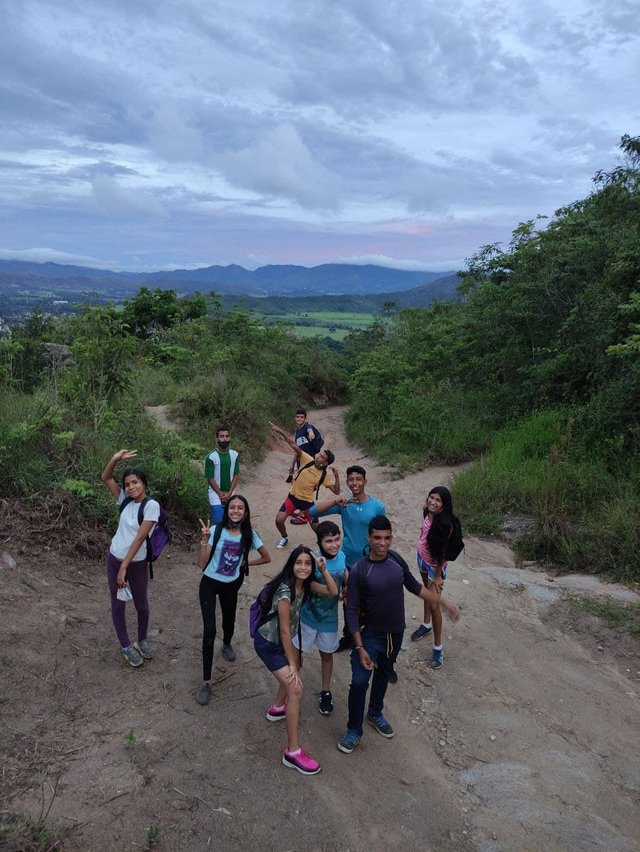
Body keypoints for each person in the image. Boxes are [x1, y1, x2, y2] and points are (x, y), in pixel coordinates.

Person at [337, 515, 460, 754]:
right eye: (377, 538)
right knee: (360, 681)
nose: (383, 543)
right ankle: (353, 729)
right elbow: (351, 611)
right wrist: (360, 647)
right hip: (369, 635)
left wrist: (444, 603)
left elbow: (415, 587)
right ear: (369, 538)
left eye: (387, 538)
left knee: (383, 673)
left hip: (395, 634)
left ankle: (374, 712)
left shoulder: (395, 561)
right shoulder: (361, 570)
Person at [254, 545, 339, 775]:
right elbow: (283, 631)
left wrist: (323, 568)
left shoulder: (306, 585)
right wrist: (292, 665)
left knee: (295, 671)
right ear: (292, 564)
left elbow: (332, 591)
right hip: (269, 643)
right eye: (299, 562)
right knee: (296, 688)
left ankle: (277, 708)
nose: (303, 567)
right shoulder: (285, 591)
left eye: (307, 563)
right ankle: (292, 753)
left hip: (282, 643)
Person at [196, 495, 271, 704]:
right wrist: (204, 539)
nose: (236, 511)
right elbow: (201, 563)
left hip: (231, 584)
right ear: (227, 510)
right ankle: (206, 681)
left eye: (240, 508)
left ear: (245, 513)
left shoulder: (249, 535)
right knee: (209, 631)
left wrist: (245, 564)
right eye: (232, 507)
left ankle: (227, 643)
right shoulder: (214, 531)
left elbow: (267, 557)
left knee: (228, 620)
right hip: (209, 584)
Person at [310, 465, 385, 651]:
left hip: (370, 563)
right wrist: (335, 501)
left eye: (358, 479)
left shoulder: (377, 506)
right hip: (348, 564)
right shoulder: (344, 505)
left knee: (370, 602)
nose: (355, 483)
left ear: (365, 481)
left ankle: (367, 636)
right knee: (348, 602)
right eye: (351, 479)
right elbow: (313, 512)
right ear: (347, 482)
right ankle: (349, 635)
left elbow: (383, 533)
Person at [101, 449, 160, 668]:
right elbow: (106, 478)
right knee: (117, 604)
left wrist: (124, 568)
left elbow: (139, 538)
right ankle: (126, 645)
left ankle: (141, 640)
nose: (131, 487)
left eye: (135, 482)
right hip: (115, 559)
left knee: (141, 604)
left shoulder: (151, 506)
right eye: (127, 484)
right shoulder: (124, 501)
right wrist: (115, 459)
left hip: (136, 564)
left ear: (144, 483)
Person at [292, 521, 346, 716]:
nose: (334, 545)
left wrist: (348, 586)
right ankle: (293, 686)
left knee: (327, 655)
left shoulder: (342, 556)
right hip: (308, 617)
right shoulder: (313, 562)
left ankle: (325, 691)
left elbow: (344, 574)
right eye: (328, 541)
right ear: (320, 542)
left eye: (337, 539)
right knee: (297, 653)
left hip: (329, 620)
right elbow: (323, 589)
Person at [269, 420, 340, 549]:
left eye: (322, 457)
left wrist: (336, 477)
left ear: (325, 463)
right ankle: (284, 537)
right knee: (279, 520)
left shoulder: (324, 476)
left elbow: (336, 491)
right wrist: (281, 432)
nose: (318, 456)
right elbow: (294, 445)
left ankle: (324, 547)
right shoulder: (308, 459)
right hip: (292, 497)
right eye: (320, 454)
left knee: (318, 530)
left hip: (307, 503)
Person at [411, 486, 458, 669]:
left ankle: (438, 647)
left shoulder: (446, 524)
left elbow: (444, 552)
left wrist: (438, 575)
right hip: (421, 559)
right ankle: (426, 624)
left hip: (434, 567)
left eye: (437, 500)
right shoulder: (427, 512)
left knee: (434, 604)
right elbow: (424, 533)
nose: (432, 502)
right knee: (425, 594)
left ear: (444, 505)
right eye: (431, 498)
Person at [204, 426, 239, 526]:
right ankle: (211, 539)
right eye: (222, 436)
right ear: (217, 439)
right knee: (218, 520)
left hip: (230, 492)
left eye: (227, 436)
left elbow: (236, 475)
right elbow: (210, 478)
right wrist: (220, 494)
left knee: (232, 521)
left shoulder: (235, 455)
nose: (225, 438)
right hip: (215, 493)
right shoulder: (211, 457)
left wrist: (230, 493)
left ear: (230, 438)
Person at [288, 409, 323, 478]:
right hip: (300, 463)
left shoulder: (307, 426)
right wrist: (292, 464)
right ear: (295, 418)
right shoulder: (297, 433)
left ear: (305, 419)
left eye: (301, 417)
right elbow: (297, 450)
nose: (299, 419)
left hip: (309, 462)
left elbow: (309, 429)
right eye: (297, 417)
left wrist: (311, 433)